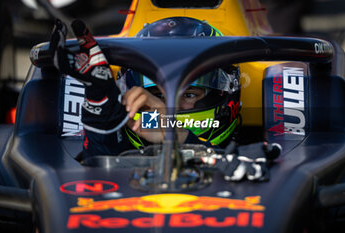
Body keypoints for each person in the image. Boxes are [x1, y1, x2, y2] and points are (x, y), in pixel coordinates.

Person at [50, 17, 241, 159]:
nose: (169, 107)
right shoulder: (125, 146)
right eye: (156, 95)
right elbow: (98, 169)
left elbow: (237, 165)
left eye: (189, 94)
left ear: (226, 95)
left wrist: (177, 134)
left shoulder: (258, 155)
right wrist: (101, 116)